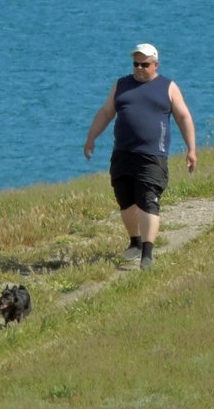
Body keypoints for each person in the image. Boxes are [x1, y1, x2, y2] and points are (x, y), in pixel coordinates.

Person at [83, 42, 197, 270]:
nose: (139, 68)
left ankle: (147, 252)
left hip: (153, 155)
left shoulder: (168, 87)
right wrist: (91, 138)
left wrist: (191, 149)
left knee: (147, 201)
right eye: (136, 64)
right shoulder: (121, 85)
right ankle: (134, 241)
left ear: (155, 64)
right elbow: (106, 112)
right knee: (125, 199)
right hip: (123, 153)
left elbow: (183, 117)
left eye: (145, 64)